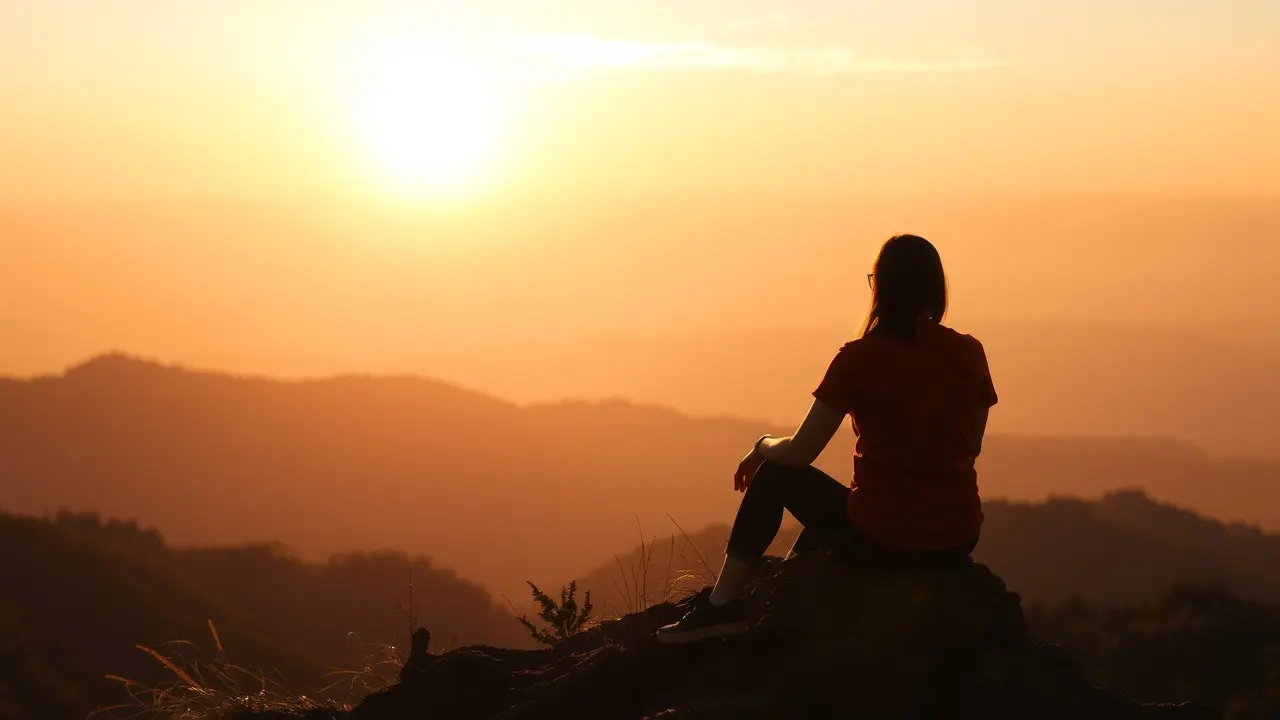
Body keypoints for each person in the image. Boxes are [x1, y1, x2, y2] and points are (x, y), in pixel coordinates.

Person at [656, 234, 998, 645]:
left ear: (882, 289)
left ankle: (722, 605)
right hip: (956, 539)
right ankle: (789, 587)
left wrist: (762, 445)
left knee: (777, 475)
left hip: (886, 538)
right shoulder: (969, 353)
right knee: (834, 517)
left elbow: (800, 453)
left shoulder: (858, 358)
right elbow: (972, 444)